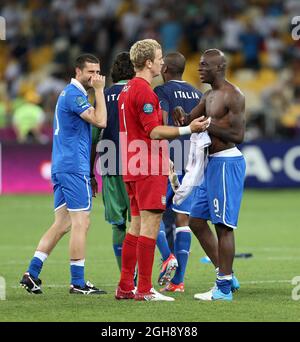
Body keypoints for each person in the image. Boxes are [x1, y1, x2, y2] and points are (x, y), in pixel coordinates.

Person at [115, 39, 210, 301]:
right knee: (149, 226)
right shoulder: (145, 91)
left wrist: (165, 158)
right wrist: (188, 129)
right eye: (158, 58)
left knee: (135, 227)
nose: (162, 62)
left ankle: (125, 286)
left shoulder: (127, 90)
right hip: (147, 167)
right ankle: (144, 290)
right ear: (148, 63)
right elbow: (154, 131)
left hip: (132, 164)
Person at [20, 54, 108, 295]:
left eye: (98, 71)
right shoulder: (74, 94)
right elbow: (100, 120)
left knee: (62, 224)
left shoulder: (69, 94)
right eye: (91, 71)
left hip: (62, 165)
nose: (95, 76)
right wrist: (100, 91)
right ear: (78, 71)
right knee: (82, 222)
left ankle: (32, 273)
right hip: (73, 166)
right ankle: (78, 282)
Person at [173, 49, 246, 301]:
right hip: (210, 164)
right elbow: (190, 120)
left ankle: (223, 288)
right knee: (195, 220)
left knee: (223, 226)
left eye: (204, 65)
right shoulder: (208, 95)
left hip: (227, 163)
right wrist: (182, 116)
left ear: (219, 67)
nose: (199, 68)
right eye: (199, 64)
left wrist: (208, 125)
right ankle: (226, 274)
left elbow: (238, 136)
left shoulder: (233, 95)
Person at [153, 52, 203, 292]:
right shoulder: (198, 93)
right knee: (183, 220)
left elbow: (160, 125)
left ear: (165, 70)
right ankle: (178, 282)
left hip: (168, 161)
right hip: (192, 164)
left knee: (153, 213)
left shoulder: (161, 92)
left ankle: (166, 259)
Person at [91, 52, 135, 272]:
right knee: (142, 220)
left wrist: (90, 172)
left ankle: (126, 277)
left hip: (110, 164)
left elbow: (93, 136)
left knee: (118, 224)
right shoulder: (141, 93)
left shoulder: (104, 96)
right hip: (138, 165)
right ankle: (150, 270)